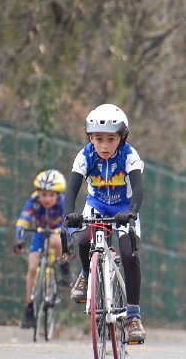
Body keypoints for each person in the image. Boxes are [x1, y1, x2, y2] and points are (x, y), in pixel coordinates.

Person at [62, 103, 146, 344]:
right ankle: (85, 274)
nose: (105, 146)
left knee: (129, 254)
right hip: (97, 206)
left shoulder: (129, 155)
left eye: (111, 139)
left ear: (122, 138)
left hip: (124, 208)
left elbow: (138, 188)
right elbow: (72, 189)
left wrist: (131, 212)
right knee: (84, 239)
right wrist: (69, 214)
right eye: (99, 139)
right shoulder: (85, 156)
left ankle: (133, 317)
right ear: (90, 138)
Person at [13, 169, 72, 329]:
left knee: (55, 240)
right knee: (32, 267)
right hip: (39, 233)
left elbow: (71, 222)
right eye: (43, 194)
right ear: (37, 192)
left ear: (58, 195)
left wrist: (69, 239)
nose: (46, 199)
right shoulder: (33, 201)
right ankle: (29, 306)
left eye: (51, 195)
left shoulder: (63, 202)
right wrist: (19, 238)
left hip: (58, 231)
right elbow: (23, 220)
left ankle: (64, 265)